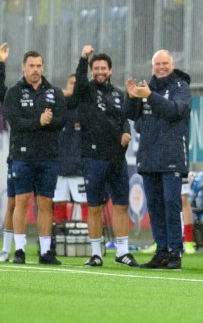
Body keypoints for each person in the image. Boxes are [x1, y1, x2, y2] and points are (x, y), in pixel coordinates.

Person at [0, 43, 66, 265]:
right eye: (31, 66)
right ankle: (20, 250)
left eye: (39, 65)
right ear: (23, 68)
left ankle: (45, 252)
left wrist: (50, 121)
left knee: (45, 203)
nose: (36, 69)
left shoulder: (55, 92)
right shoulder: (14, 92)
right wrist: (39, 122)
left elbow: (62, 120)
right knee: (21, 201)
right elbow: (14, 121)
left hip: (48, 156)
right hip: (22, 156)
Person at [126, 50, 192, 270]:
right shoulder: (148, 87)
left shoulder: (181, 86)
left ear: (172, 64)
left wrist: (148, 96)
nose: (161, 67)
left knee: (171, 204)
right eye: (157, 64)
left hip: (172, 155)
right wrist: (131, 97)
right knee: (154, 206)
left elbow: (175, 111)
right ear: (152, 66)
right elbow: (133, 116)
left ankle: (175, 252)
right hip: (149, 156)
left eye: (165, 63)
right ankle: (161, 252)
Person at [74, 46, 138, 267]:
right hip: (93, 157)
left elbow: (124, 119)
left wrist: (126, 131)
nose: (100, 71)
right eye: (96, 68)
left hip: (116, 158)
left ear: (110, 71)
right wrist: (84, 58)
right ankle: (96, 253)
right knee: (94, 207)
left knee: (121, 205)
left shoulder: (119, 95)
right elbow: (80, 80)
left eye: (104, 68)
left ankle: (122, 252)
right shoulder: (85, 91)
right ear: (91, 71)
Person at [53, 74, 88, 224]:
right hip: (59, 167)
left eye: (76, 83)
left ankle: (87, 239)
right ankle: (59, 238)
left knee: (85, 203)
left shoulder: (86, 108)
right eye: (71, 83)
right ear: (67, 86)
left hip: (79, 168)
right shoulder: (59, 106)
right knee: (59, 202)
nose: (74, 86)